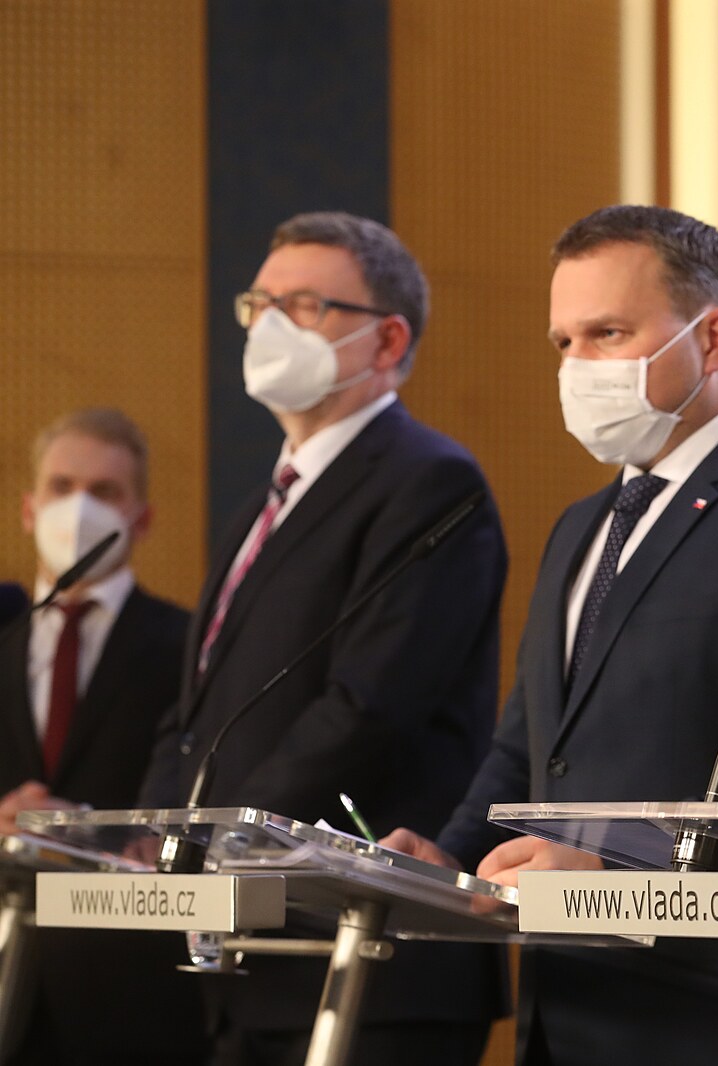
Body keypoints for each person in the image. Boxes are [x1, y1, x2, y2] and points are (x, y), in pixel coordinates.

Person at [384, 204, 718, 1066]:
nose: (577, 366)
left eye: (608, 333)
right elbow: (532, 748)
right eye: (564, 342)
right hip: (569, 1003)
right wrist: (448, 853)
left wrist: (621, 867)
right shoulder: (580, 527)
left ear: (714, 338)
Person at [137, 212, 509, 1066]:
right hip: (248, 952)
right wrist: (154, 833)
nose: (269, 326)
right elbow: (198, 706)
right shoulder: (263, 502)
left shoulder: (430, 484)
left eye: (303, 305)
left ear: (387, 340)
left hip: (370, 951)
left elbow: (370, 707)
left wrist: (220, 838)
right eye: (259, 304)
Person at [0, 407, 206, 1065]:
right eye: (62, 487)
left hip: (127, 993)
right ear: (29, 508)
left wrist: (84, 832)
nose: (79, 508)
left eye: (105, 491)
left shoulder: (190, 648)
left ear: (141, 518)